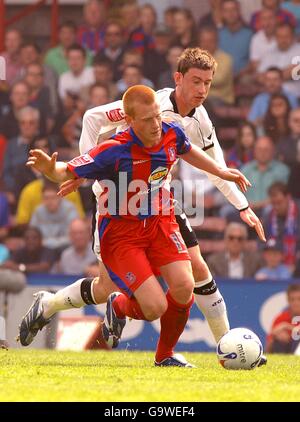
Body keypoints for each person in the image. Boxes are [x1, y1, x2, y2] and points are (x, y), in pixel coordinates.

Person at [19, 49, 266, 360]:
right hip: (119, 207)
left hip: (161, 205)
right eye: (196, 81)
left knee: (194, 272)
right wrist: (90, 176)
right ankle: (50, 304)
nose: (202, 90)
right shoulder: (148, 107)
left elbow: (211, 163)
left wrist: (241, 205)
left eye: (208, 83)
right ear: (178, 79)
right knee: (109, 287)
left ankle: (225, 350)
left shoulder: (192, 122)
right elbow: (91, 119)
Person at [266, 283, 300, 353]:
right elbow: (268, 349)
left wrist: (286, 326)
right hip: (285, 353)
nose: (296, 303)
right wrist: (275, 336)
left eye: (299, 299)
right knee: (278, 341)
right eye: (292, 299)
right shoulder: (281, 318)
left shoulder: (283, 324)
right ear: (288, 301)